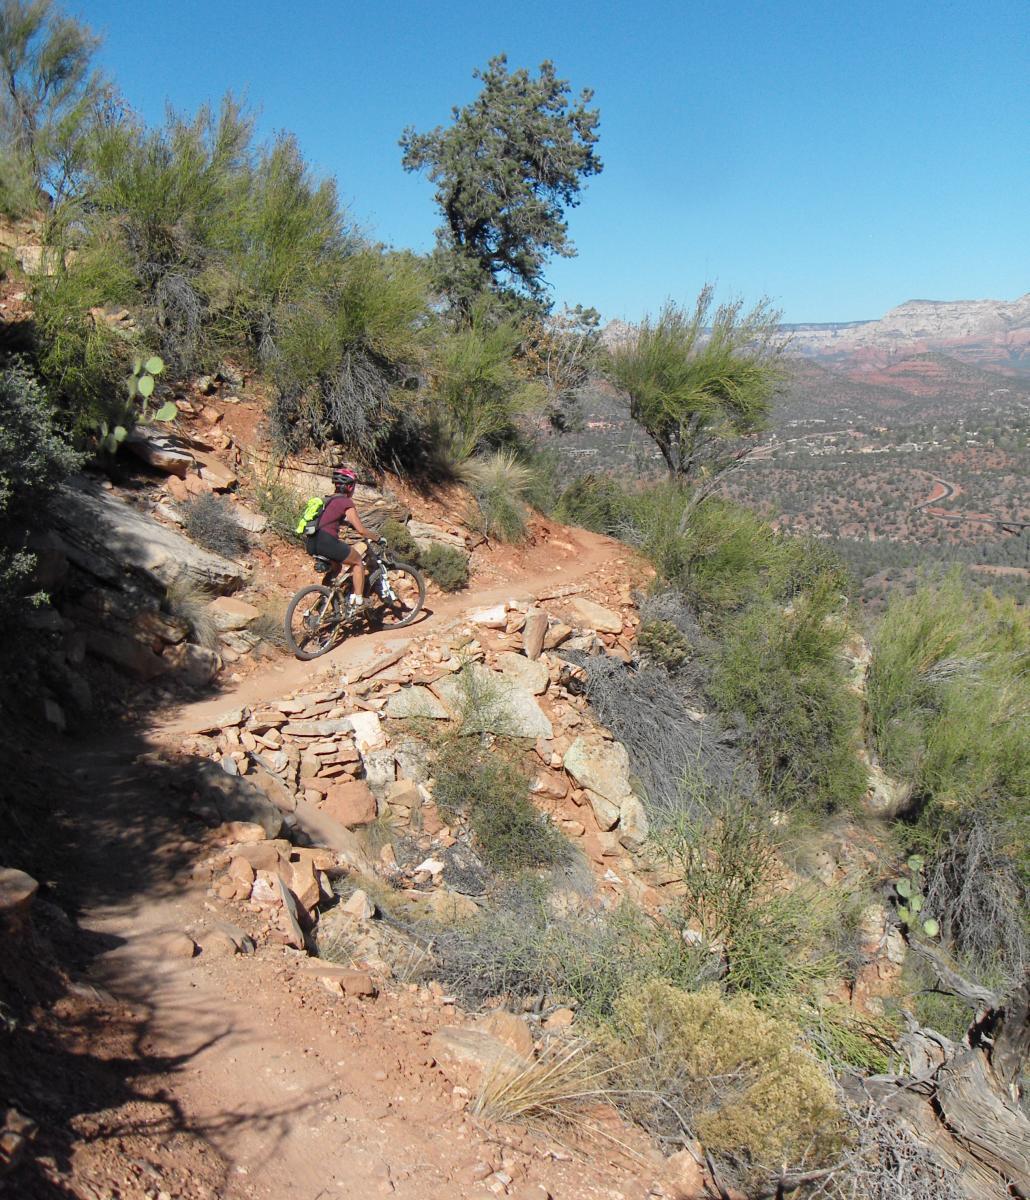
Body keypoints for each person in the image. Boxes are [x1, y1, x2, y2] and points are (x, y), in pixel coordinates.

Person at [311, 467, 381, 608]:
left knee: (335, 568)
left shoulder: (327, 499)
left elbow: (327, 519)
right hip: (327, 542)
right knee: (357, 562)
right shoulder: (346, 502)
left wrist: (342, 522)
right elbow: (361, 530)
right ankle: (358, 601)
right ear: (349, 486)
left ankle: (326, 599)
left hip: (312, 542)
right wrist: (377, 538)